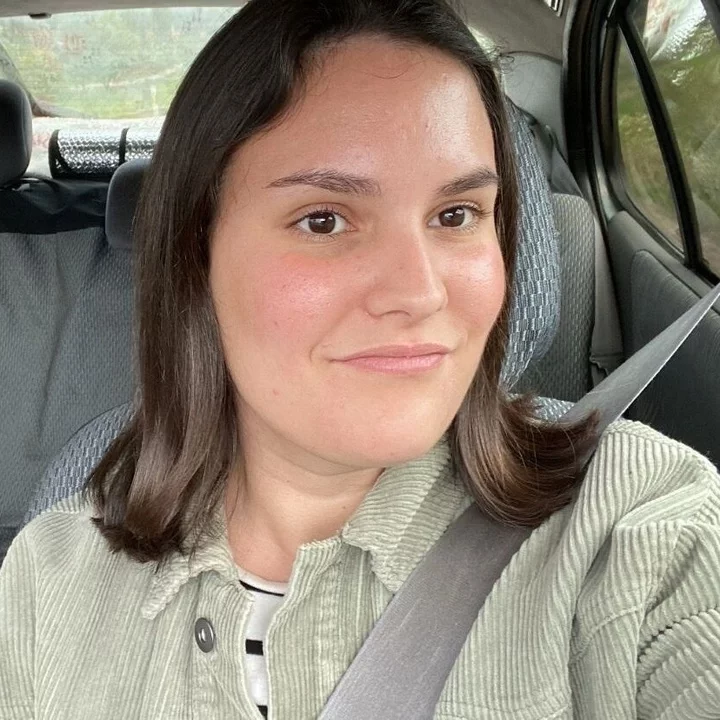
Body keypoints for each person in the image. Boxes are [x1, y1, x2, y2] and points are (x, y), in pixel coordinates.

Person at [1, 0, 719, 717]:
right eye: (324, 220)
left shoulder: (638, 527)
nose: (420, 292)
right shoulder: (47, 583)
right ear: (197, 255)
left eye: (457, 215)